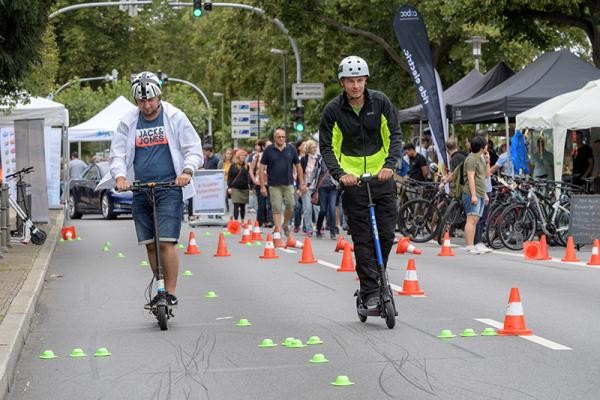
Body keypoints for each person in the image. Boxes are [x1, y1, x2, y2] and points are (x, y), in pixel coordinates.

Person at [106, 71, 203, 309]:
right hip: (140, 188)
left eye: (150, 100)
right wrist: (119, 177)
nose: (147, 105)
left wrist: (187, 172)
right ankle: (159, 286)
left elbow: (194, 148)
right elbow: (117, 154)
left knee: (166, 242)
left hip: (169, 186)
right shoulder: (128, 121)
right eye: (141, 101)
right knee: (150, 243)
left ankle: (169, 292)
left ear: (159, 96)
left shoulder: (175, 117)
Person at [319, 55, 402, 309]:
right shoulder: (333, 110)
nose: (355, 85)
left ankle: (377, 276)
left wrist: (389, 166)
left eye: (359, 80)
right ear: (342, 83)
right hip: (353, 183)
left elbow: (395, 136)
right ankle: (369, 291)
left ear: (366, 80)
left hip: (381, 179)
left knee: (387, 234)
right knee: (364, 238)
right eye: (350, 81)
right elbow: (327, 148)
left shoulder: (381, 102)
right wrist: (340, 174)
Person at [259, 128, 306, 236]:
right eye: (279, 137)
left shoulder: (291, 149)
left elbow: (298, 167)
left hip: (288, 183)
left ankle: (285, 224)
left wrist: (302, 183)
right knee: (277, 207)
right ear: (274, 138)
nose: (281, 139)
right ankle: (278, 229)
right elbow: (261, 169)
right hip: (274, 184)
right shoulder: (268, 150)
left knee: (291, 205)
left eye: (283, 137)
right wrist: (262, 186)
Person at [462, 135, 488, 255]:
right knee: (471, 218)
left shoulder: (481, 158)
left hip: (481, 192)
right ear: (482, 147)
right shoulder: (471, 159)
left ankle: (472, 244)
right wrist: (473, 195)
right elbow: (470, 177)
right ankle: (469, 245)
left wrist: (488, 161)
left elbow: (486, 175)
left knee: (476, 219)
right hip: (472, 192)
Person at [249, 139, 272, 227]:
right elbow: (251, 169)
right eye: (268, 146)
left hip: (271, 182)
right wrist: (254, 180)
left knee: (271, 203)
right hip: (260, 182)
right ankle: (259, 221)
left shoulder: (274, 155)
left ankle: (270, 221)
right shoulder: (258, 156)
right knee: (261, 204)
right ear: (263, 147)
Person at [299, 140, 320, 236]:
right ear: (308, 149)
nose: (315, 149)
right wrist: (302, 185)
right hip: (306, 187)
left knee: (317, 209)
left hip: (317, 188)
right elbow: (301, 173)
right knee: (307, 208)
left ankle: (319, 227)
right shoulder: (304, 159)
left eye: (315, 147)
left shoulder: (320, 159)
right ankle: (309, 229)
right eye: (312, 147)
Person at [227, 149, 250, 221]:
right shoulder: (233, 166)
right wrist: (229, 187)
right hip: (235, 188)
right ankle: (236, 221)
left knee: (243, 205)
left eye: (244, 156)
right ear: (238, 157)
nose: (243, 157)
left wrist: (251, 186)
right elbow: (229, 178)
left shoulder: (247, 166)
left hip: (244, 188)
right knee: (236, 204)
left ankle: (242, 221)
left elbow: (248, 177)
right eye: (242, 155)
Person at [218, 148, 234, 213]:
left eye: (230, 154)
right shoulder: (221, 163)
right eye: (228, 153)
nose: (229, 155)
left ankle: (231, 209)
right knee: (224, 196)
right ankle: (223, 209)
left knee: (230, 196)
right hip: (223, 181)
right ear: (225, 154)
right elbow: (218, 172)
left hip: (231, 182)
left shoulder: (233, 163)